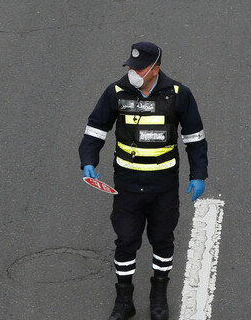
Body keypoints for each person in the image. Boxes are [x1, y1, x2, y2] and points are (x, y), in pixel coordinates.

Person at [79, 42, 209, 320]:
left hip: (163, 184)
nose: (132, 71)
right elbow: (95, 129)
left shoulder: (179, 95)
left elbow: (195, 139)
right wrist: (88, 160)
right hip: (127, 184)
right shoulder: (116, 92)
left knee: (162, 240)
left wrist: (198, 175)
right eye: (130, 66)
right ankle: (124, 301)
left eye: (138, 68)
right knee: (126, 240)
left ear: (155, 69)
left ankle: (158, 298)